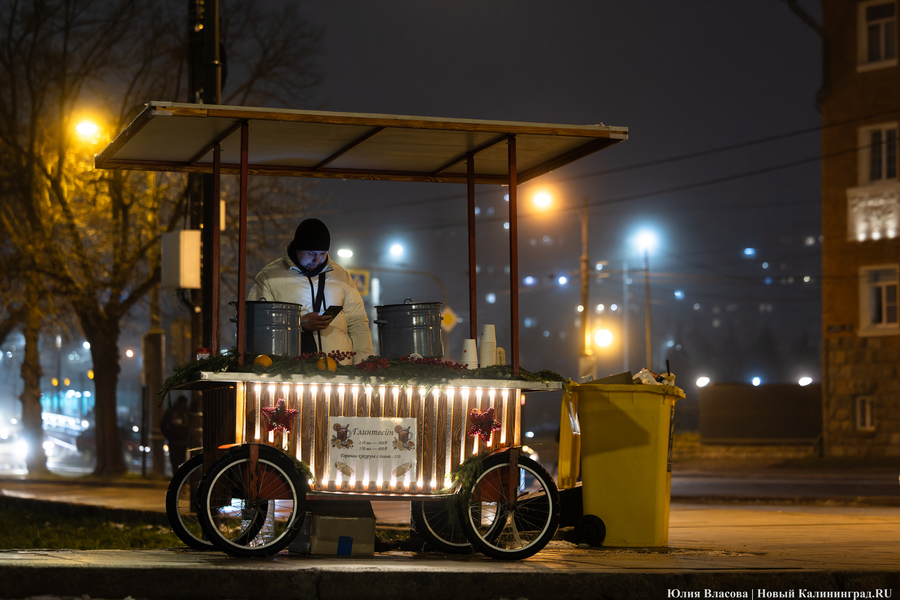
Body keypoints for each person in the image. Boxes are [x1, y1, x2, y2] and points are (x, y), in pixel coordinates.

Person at [248, 218, 373, 365]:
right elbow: (256, 325)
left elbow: (358, 324)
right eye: (311, 253)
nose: (317, 260)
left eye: (322, 253)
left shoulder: (341, 277)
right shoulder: (269, 277)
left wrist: (363, 366)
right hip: (287, 373)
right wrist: (300, 323)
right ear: (297, 248)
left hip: (340, 373)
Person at [160, 395, 190, 472]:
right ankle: (180, 481)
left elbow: (163, 425)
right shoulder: (185, 412)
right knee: (180, 462)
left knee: (176, 463)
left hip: (176, 442)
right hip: (180, 442)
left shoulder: (173, 411)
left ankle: (177, 480)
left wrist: (169, 436)